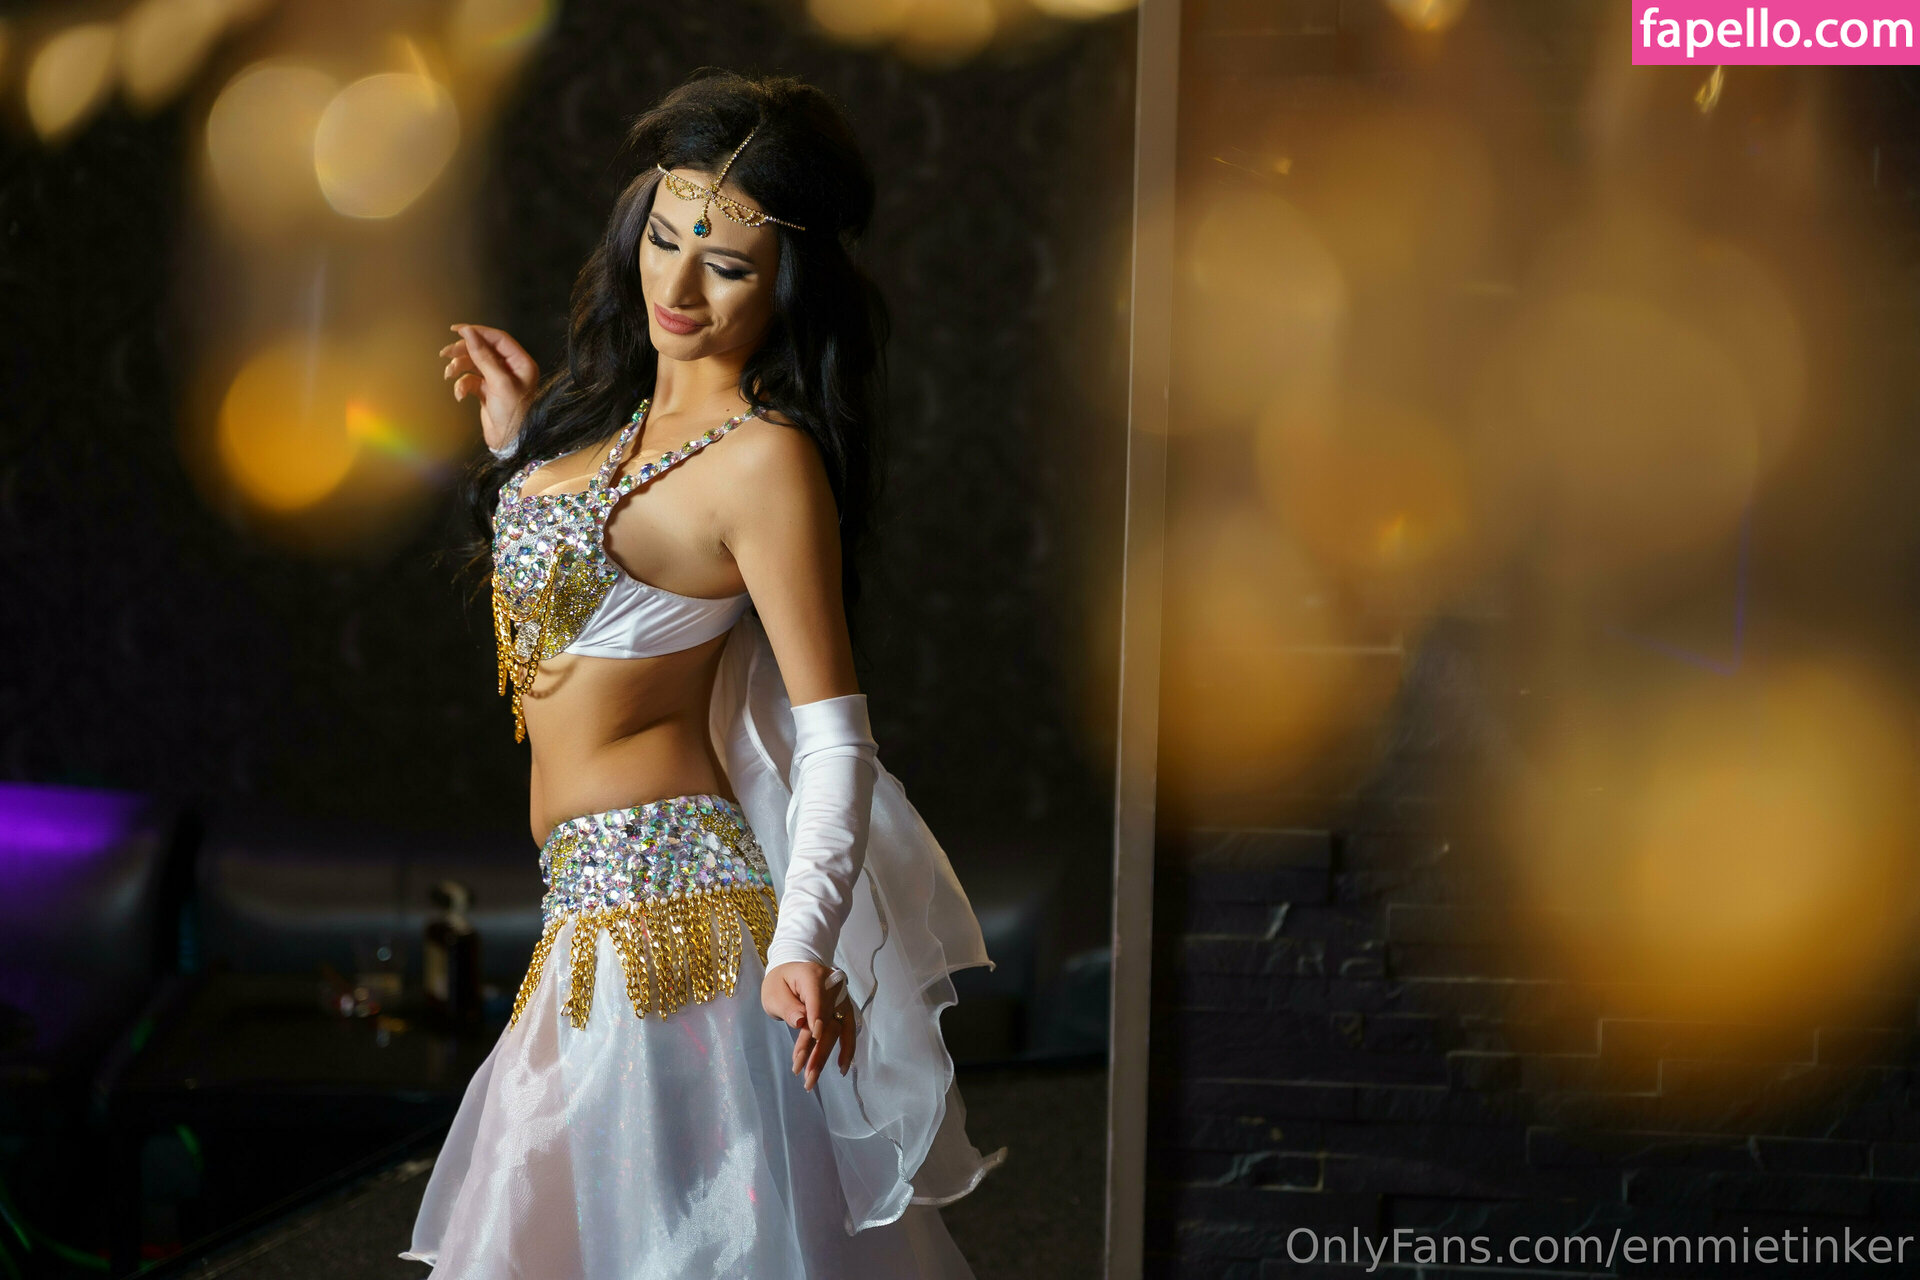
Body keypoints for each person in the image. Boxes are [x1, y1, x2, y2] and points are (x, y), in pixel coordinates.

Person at [401, 69, 1002, 1279]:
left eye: (723, 264)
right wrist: (522, 443)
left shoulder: (767, 461)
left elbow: (835, 735)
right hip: (586, 910)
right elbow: (590, 602)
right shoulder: (603, 423)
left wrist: (804, 940)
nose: (676, 287)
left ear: (787, 284)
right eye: (664, 239)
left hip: (674, 915)